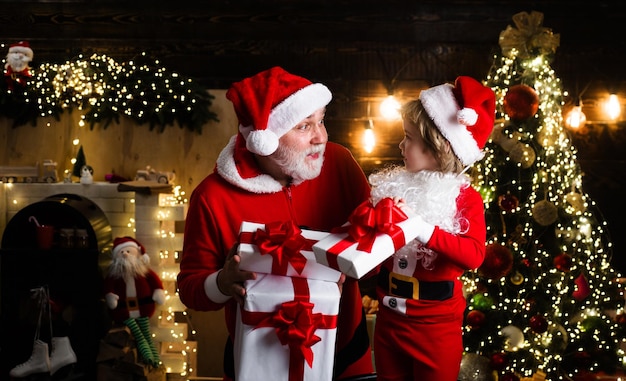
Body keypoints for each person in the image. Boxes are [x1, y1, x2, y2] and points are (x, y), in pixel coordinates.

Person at [177, 66, 374, 380]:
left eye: (321, 120)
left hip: (347, 359)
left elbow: (375, 264)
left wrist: (362, 256)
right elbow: (189, 289)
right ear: (264, 140)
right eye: (304, 126)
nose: (320, 137)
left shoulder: (340, 164)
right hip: (258, 364)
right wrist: (223, 282)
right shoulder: (211, 197)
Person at [368, 76, 495, 381]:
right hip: (389, 318)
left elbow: (475, 256)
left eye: (409, 138)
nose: (401, 145)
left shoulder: (465, 198)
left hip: (435, 327)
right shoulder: (393, 185)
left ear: (439, 147)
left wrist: (422, 228)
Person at [104, 236, 165, 368]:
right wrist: (110, 296)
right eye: (122, 252)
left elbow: (155, 282)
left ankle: (155, 359)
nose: (125, 254)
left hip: (143, 309)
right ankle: (149, 358)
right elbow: (109, 286)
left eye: (128, 251)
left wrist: (158, 291)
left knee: (147, 334)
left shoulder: (144, 272)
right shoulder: (115, 275)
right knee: (139, 336)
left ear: (137, 254)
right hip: (124, 313)